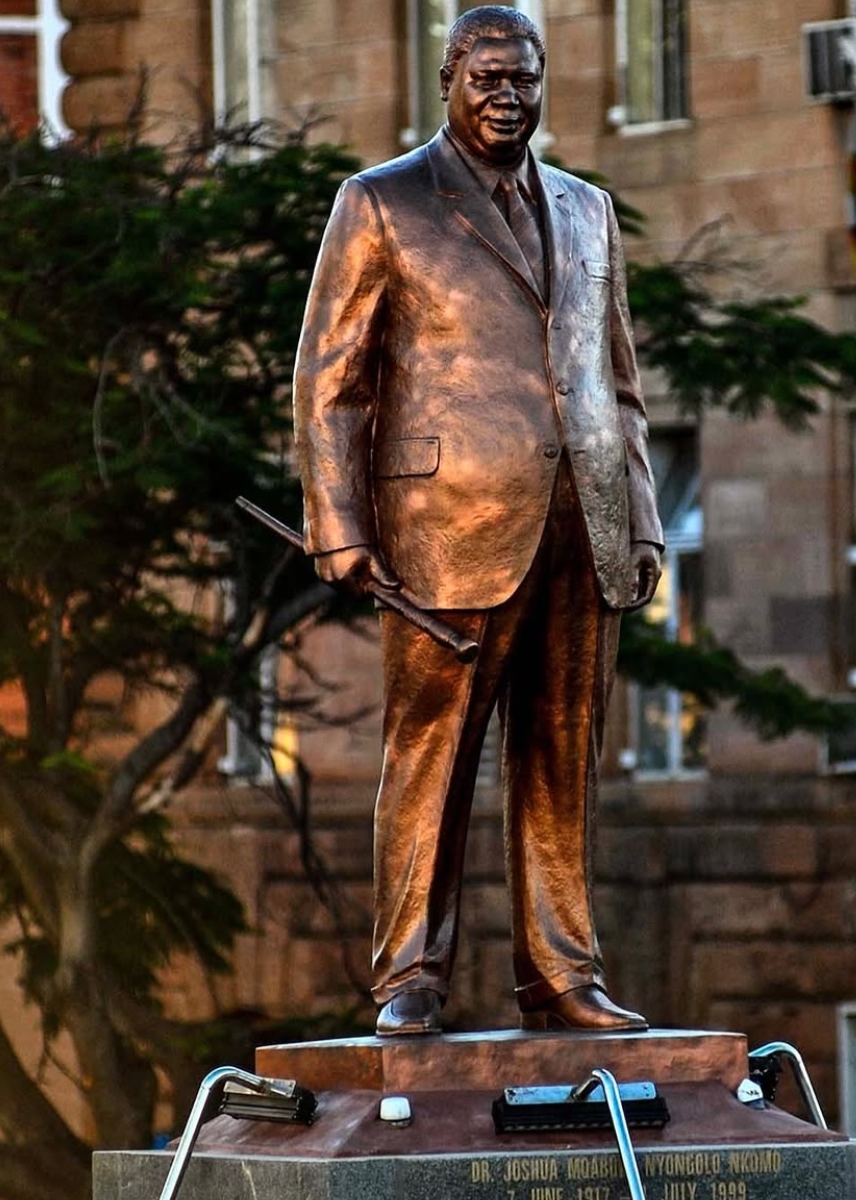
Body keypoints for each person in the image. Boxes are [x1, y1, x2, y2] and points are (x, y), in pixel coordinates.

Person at [293, 5, 663, 1036]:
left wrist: (640, 521)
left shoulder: (588, 209)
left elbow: (619, 384)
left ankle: (562, 975)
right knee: (432, 757)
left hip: (580, 527)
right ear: (449, 80)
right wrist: (339, 524)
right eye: (488, 78)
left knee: (563, 758)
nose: (508, 96)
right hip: (444, 533)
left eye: (524, 79)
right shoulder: (381, 201)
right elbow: (330, 381)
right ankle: (409, 975)